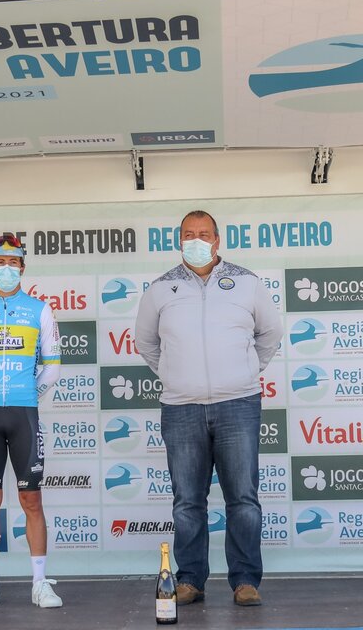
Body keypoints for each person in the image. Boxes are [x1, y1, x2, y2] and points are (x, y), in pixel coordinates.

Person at [134, 210, 283, 608]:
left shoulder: (247, 282)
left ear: (217, 240)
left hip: (238, 405)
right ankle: (189, 580)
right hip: (181, 407)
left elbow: (270, 334)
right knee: (187, 501)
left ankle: (245, 580)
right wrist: (176, 374)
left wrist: (243, 371)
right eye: (189, 234)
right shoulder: (161, 288)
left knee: (243, 499)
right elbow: (146, 342)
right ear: (178, 240)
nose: (196, 240)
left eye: (203, 234)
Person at [0, 233, 62, 609]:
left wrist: (28, 393)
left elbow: (52, 365)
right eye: (0, 263)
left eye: (13, 263)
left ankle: (40, 584)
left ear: (22, 267)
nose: (6, 269)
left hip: (24, 414)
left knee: (31, 498)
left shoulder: (40, 310)